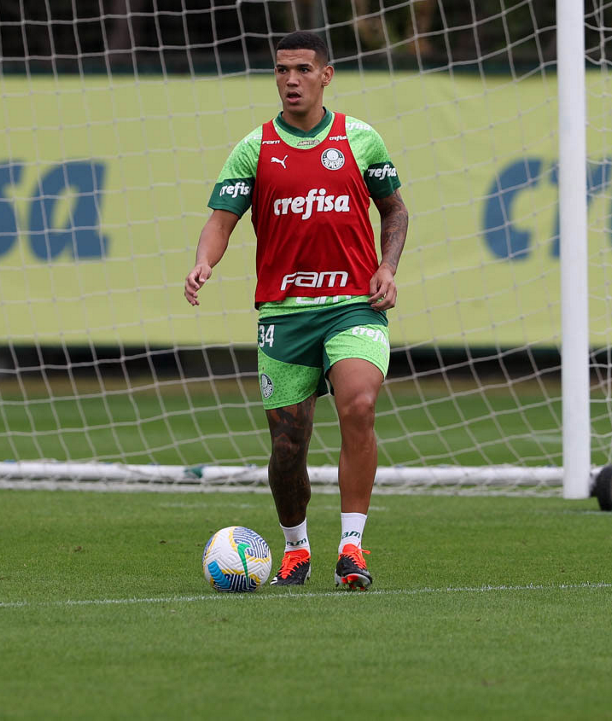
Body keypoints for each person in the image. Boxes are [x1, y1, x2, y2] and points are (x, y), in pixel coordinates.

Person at [184, 31, 408, 591]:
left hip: (352, 305)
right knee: (288, 446)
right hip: (284, 316)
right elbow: (221, 221)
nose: (291, 80)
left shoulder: (359, 139)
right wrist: (204, 261)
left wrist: (387, 267)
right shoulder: (254, 148)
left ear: (326, 75)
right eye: (282, 70)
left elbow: (395, 211)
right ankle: (295, 548)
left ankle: (351, 548)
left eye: (303, 69)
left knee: (359, 404)